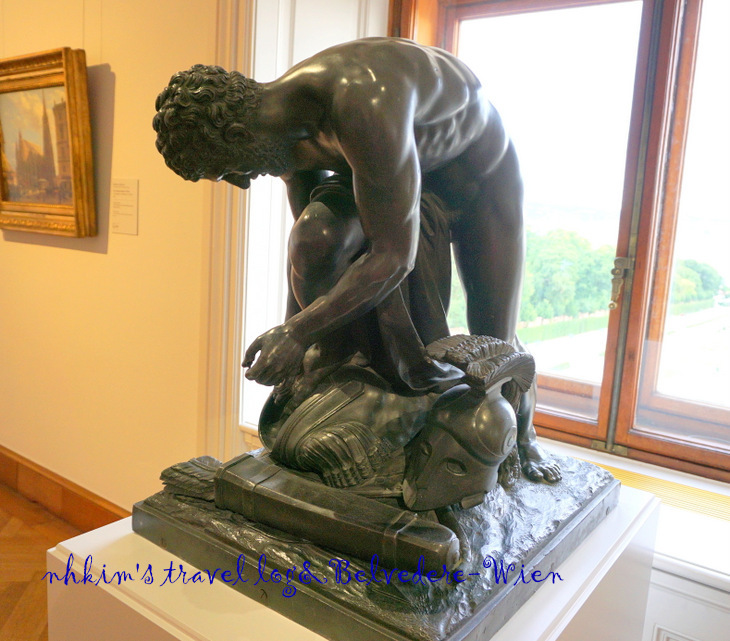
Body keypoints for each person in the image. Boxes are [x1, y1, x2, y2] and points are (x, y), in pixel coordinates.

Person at [153, 37, 559, 483]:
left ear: (236, 137)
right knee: (316, 237)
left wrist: (296, 333)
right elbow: (311, 260)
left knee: (494, 335)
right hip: (391, 174)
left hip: (476, 179)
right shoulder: (286, 139)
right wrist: (303, 346)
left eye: (227, 171)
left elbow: (393, 256)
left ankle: (523, 436)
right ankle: (372, 392)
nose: (241, 183)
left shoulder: (361, 103)